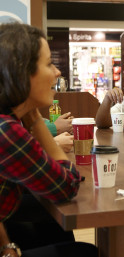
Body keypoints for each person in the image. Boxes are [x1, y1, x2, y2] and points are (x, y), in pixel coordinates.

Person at [0, 23, 97, 257]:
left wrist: (6, 247)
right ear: (21, 73)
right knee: (83, 252)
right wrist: (35, 120)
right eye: (48, 64)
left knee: (54, 227)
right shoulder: (7, 131)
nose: (57, 72)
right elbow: (67, 185)